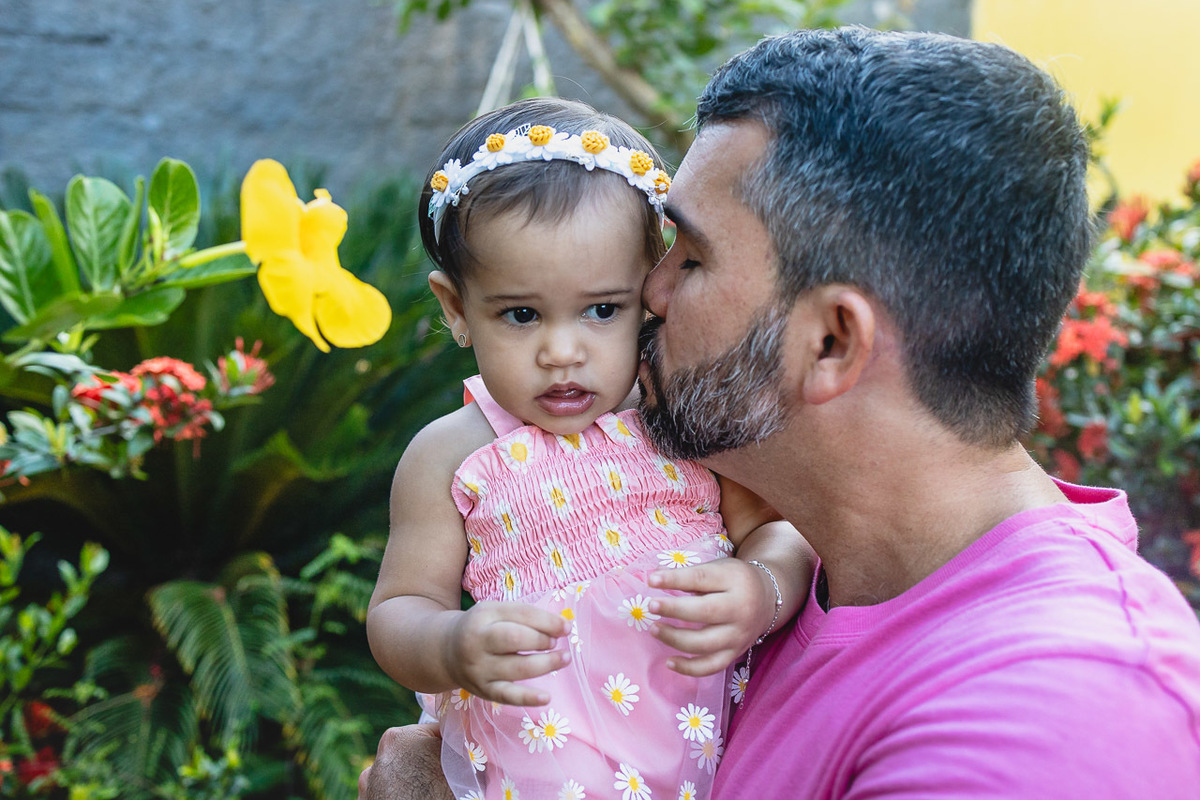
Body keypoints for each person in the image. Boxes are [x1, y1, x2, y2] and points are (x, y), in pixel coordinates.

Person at [362, 28, 1200, 799]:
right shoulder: (800, 572)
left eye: (687, 259)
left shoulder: (1058, 714)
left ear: (832, 340)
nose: (646, 297)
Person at [366, 97, 811, 800]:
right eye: (521, 315)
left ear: (649, 295)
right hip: (544, 752)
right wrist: (452, 644)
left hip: (717, 731)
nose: (563, 352)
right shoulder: (450, 454)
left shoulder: (681, 418)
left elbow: (777, 533)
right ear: (456, 308)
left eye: (602, 310)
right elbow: (399, 611)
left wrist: (761, 590)